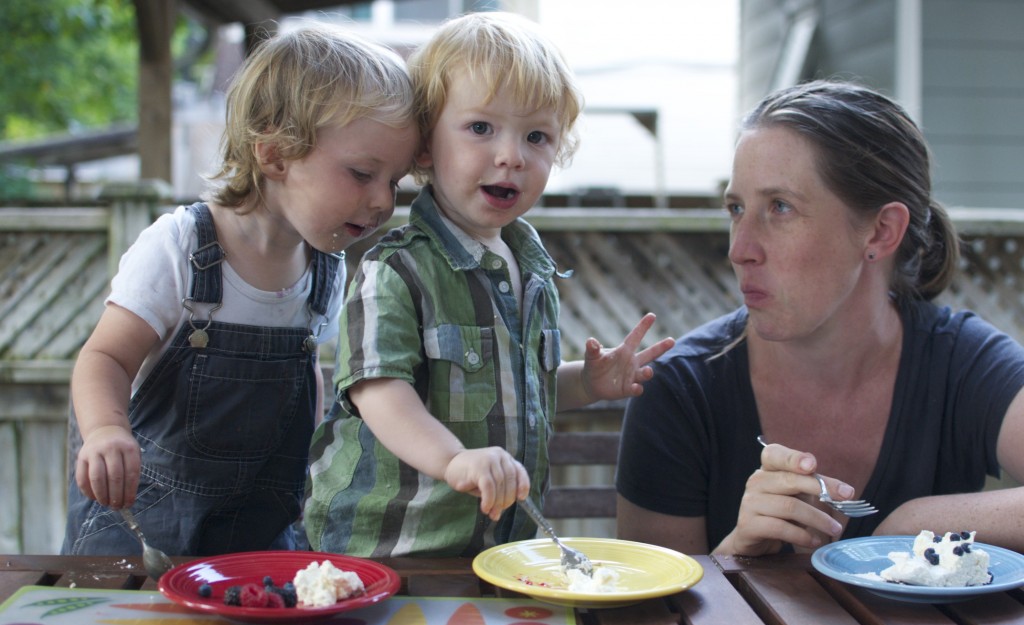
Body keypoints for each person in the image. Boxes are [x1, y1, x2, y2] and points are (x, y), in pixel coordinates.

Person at [304, 12, 674, 558]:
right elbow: (379, 391)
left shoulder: (532, 270)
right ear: (425, 146)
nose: (511, 155)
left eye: (537, 136)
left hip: (496, 549)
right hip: (390, 552)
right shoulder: (397, 270)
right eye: (481, 128)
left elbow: (519, 391)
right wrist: (454, 458)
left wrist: (587, 383)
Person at [616, 79, 1024, 557]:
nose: (739, 249)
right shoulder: (680, 390)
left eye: (780, 207)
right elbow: (653, 624)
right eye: (736, 209)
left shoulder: (964, 364)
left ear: (881, 230)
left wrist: (912, 521)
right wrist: (735, 561)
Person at [62, 24, 419, 557]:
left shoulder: (325, 267)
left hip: (256, 539)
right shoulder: (181, 246)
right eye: (363, 173)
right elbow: (103, 357)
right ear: (275, 155)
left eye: (394, 181)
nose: (382, 202)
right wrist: (106, 432)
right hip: (140, 539)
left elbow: (305, 383)